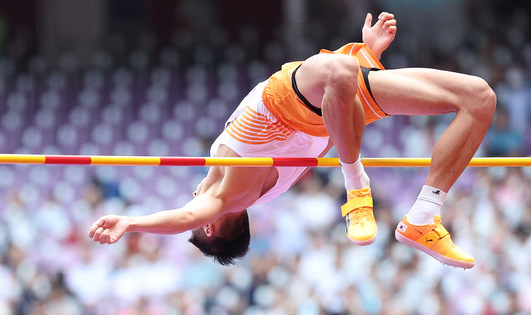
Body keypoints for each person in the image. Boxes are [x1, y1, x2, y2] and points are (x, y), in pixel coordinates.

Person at [89, 12, 496, 269]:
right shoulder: (230, 195)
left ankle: (423, 217)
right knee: (342, 70)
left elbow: (337, 116)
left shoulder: (247, 186)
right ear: (212, 227)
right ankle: (357, 191)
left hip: (331, 99)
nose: (191, 196)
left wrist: (367, 57)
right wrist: (130, 222)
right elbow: (183, 218)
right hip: (287, 103)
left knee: (479, 98)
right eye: (198, 219)